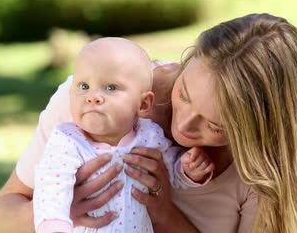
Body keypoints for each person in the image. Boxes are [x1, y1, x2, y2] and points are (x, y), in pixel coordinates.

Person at [0, 13, 297, 233]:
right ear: (190, 59)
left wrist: (163, 212)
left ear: (257, 132)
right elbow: (3, 215)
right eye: (185, 94)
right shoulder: (96, 98)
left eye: (216, 126)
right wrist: (61, 207)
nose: (185, 127)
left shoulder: (261, 173)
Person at [33, 37, 214, 233]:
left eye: (111, 87)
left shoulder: (150, 136)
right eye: (84, 86)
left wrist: (188, 169)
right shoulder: (68, 140)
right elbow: (51, 185)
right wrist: (55, 226)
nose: (93, 97)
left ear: (143, 104)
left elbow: (169, 172)